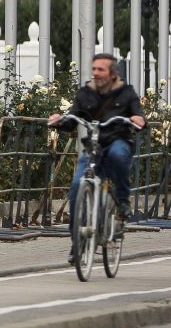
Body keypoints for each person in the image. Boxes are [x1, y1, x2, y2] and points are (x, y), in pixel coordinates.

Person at [48, 53, 146, 264]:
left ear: (113, 74)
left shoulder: (126, 93)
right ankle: (77, 243)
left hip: (118, 140)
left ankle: (122, 201)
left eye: (101, 69)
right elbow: (74, 117)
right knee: (76, 186)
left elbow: (139, 115)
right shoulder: (86, 93)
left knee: (118, 155)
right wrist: (60, 121)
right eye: (94, 69)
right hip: (94, 146)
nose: (96, 73)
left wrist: (139, 120)